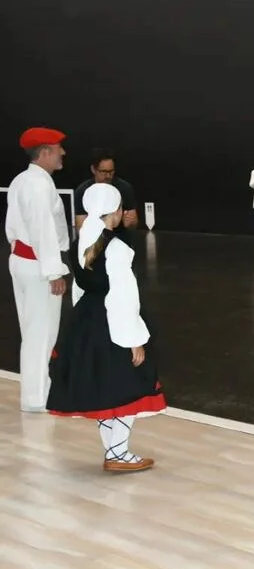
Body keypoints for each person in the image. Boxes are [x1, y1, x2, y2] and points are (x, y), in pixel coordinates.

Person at [46, 183, 165, 471]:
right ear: (117, 211)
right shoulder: (116, 247)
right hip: (112, 322)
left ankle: (114, 452)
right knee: (129, 384)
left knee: (104, 386)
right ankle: (117, 453)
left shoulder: (80, 243)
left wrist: (80, 321)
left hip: (86, 319)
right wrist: (134, 339)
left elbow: (79, 288)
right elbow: (123, 296)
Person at [6, 126, 70, 413]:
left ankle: (36, 393)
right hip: (38, 265)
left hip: (24, 261)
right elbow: (42, 229)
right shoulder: (38, 185)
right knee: (41, 333)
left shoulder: (23, 180)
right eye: (58, 149)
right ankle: (37, 398)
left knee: (33, 331)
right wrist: (53, 271)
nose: (63, 153)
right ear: (45, 152)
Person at [73, 148, 139, 244]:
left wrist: (130, 222)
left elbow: (134, 222)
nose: (108, 176)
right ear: (93, 169)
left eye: (111, 171)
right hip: (92, 243)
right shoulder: (82, 191)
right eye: (103, 172)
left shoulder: (124, 188)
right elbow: (80, 228)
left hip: (120, 241)